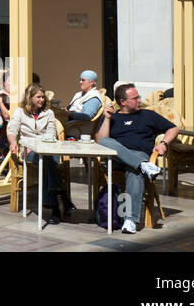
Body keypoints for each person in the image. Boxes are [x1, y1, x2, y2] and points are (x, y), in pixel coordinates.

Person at [97, 83, 178, 233]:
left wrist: (163, 143)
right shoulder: (112, 117)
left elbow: (174, 128)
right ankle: (143, 165)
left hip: (139, 153)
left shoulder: (148, 115)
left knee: (135, 172)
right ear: (123, 102)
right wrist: (107, 118)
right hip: (116, 158)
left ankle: (130, 220)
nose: (139, 100)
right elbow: (101, 141)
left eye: (138, 97)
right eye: (135, 98)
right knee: (105, 141)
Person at [7, 83, 68, 224]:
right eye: (38, 97)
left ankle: (53, 203)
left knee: (47, 161)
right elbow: (12, 131)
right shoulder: (20, 112)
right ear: (30, 98)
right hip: (29, 150)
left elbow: (51, 134)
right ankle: (59, 200)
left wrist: (42, 145)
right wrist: (13, 142)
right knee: (47, 162)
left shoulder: (49, 113)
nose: (42, 100)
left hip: (47, 149)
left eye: (43, 97)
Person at [63, 70, 104, 135]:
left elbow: (87, 116)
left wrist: (69, 114)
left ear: (92, 82)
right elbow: (71, 107)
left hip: (78, 127)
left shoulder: (93, 98)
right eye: (80, 80)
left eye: (83, 80)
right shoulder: (79, 94)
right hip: (69, 121)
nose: (80, 82)